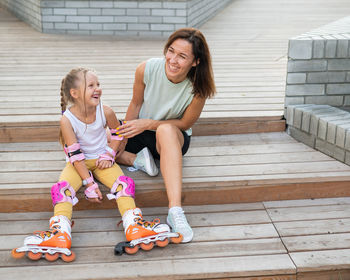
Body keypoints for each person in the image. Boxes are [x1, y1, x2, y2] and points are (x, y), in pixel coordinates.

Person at [11, 67, 175, 262]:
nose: (97, 89)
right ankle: (60, 233)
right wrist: (89, 184)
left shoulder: (106, 111)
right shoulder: (67, 119)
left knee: (124, 184)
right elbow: (75, 155)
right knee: (62, 189)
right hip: (77, 164)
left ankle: (133, 225)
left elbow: (117, 134)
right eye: (91, 86)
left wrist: (109, 153)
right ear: (74, 94)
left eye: (98, 84)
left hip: (101, 161)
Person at [115, 28, 216, 243]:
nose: (173, 60)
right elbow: (135, 103)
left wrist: (150, 123)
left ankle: (175, 211)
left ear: (195, 61)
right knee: (99, 136)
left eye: (182, 56)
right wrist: (122, 137)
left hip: (171, 138)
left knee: (165, 129)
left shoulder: (198, 88)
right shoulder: (146, 69)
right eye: (171, 51)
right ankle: (138, 160)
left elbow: (185, 123)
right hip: (140, 131)